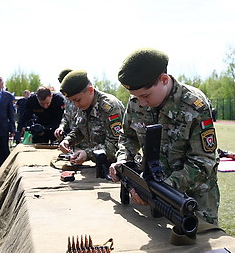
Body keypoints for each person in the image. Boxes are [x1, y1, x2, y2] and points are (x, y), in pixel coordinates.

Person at [109, 48, 220, 226]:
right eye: (136, 97)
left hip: (192, 199)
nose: (141, 103)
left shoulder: (194, 106)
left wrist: (165, 188)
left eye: (145, 95)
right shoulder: (137, 101)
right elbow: (128, 138)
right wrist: (123, 161)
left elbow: (203, 161)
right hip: (154, 192)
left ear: (164, 80)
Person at [58, 70, 125, 165]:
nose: (76, 105)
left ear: (90, 90)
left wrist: (88, 154)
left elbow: (117, 144)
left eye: (77, 100)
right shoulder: (84, 105)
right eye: (72, 101)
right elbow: (80, 129)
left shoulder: (110, 107)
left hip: (120, 166)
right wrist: (68, 140)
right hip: (100, 165)